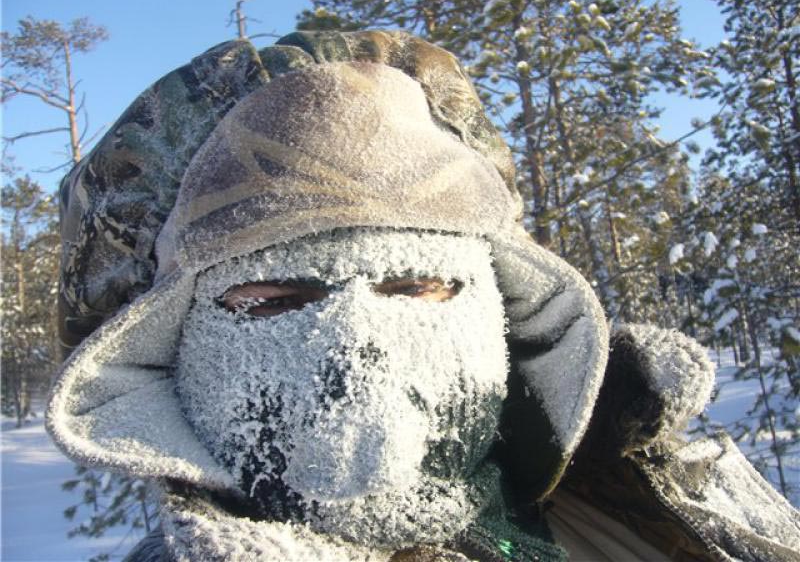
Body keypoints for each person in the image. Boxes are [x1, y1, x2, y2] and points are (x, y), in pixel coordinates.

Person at [47, 31, 800, 562]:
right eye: (271, 298)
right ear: (164, 355)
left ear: (503, 313)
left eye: (418, 285)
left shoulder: (664, 502)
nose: (358, 349)